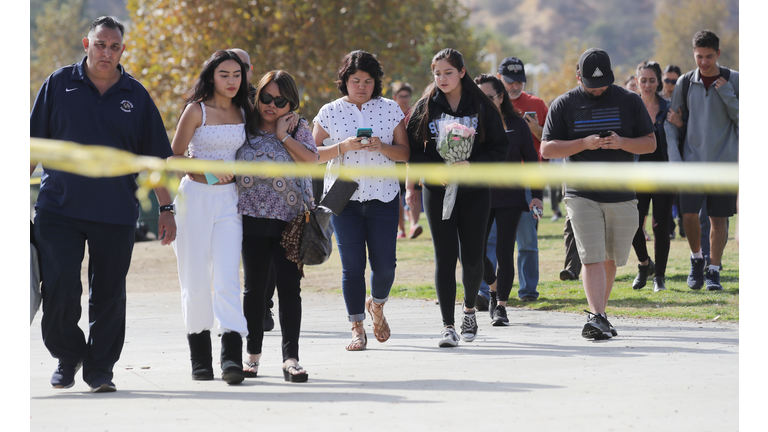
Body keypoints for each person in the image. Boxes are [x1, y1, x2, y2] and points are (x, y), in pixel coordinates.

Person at [30, 16, 176, 392]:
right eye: (100, 44)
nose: (106, 52)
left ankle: (100, 370)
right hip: (58, 209)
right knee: (60, 287)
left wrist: (166, 209)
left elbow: (155, 160)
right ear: (86, 44)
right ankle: (68, 354)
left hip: (115, 212)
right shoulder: (58, 84)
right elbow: (31, 146)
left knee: (109, 294)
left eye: (114, 46)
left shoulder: (136, 95)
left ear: (122, 50)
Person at [540, 48, 656, 340]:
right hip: (581, 193)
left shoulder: (629, 101)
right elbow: (547, 148)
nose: (598, 88)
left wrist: (622, 142)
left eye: (603, 83)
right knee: (591, 256)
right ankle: (598, 315)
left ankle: (600, 315)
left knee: (610, 259)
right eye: (591, 84)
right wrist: (584, 143)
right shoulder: (563, 104)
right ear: (578, 77)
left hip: (622, 194)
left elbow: (650, 143)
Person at [406, 48, 508, 347]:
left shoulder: (482, 105)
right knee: (445, 257)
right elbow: (411, 149)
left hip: (475, 192)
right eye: (437, 73)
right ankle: (447, 325)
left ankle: (469, 312)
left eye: (448, 72)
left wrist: (472, 166)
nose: (442, 78)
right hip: (438, 193)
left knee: (473, 258)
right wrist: (431, 171)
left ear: (462, 72)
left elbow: (500, 149)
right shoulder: (426, 106)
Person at [313, 51, 410, 351]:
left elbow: (405, 154)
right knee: (352, 267)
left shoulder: (391, 109)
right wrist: (342, 146)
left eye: (369, 81)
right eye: (356, 80)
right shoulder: (329, 111)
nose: (362, 86)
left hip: (384, 194)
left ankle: (377, 305)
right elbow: (312, 154)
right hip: (344, 196)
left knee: (385, 267)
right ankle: (356, 327)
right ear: (344, 80)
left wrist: (382, 146)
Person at [168, 50, 251, 385]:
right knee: (196, 281)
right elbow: (173, 159)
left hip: (231, 204)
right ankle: (200, 360)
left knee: (228, 279)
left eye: (237, 74)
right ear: (211, 76)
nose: (232, 81)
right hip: (195, 199)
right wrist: (211, 176)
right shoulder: (196, 110)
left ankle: (231, 359)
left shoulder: (246, 110)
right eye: (224, 74)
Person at [237, 70, 317, 382]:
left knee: (289, 290)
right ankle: (252, 357)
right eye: (266, 98)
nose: (271, 105)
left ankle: (291, 359)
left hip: (290, 221)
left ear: (290, 102)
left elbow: (311, 161)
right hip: (251, 219)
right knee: (254, 290)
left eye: (279, 100)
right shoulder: (244, 125)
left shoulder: (298, 127)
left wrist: (284, 136)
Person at [665, 30, 738, 291]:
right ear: (693, 54)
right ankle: (697, 259)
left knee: (719, 219)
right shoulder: (685, 82)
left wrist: (728, 94)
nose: (704, 62)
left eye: (709, 56)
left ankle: (714, 270)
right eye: (699, 57)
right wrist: (675, 162)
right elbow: (672, 124)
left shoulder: (735, 81)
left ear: (718, 54)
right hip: (691, 164)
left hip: (725, 165)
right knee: (688, 216)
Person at [474, 74, 543, 325]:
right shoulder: (470, 124)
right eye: (479, 97)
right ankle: (493, 288)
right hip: (478, 196)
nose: (484, 101)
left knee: (505, 251)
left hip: (511, 197)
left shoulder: (518, 124)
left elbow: (533, 161)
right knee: (476, 253)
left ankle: (501, 305)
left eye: (489, 96)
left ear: (501, 97)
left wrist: (536, 196)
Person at [496, 56, 548, 302]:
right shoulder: (490, 104)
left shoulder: (537, 103)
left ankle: (528, 291)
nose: (515, 86)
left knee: (527, 240)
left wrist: (537, 130)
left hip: (528, 180)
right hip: (497, 182)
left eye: (519, 81)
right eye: (509, 82)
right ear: (499, 80)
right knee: (492, 239)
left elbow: (551, 142)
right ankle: (490, 289)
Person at [232, 47, 276, 332]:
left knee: (265, 254)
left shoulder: (260, 98)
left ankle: (264, 306)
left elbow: (282, 115)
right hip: (222, 188)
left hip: (261, 192)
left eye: (242, 67)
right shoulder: (213, 101)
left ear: (250, 70)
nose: (237, 73)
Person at [629, 61, 674, 292]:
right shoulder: (629, 107)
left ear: (659, 81)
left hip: (664, 173)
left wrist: (680, 122)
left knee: (660, 226)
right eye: (643, 80)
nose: (647, 85)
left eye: (652, 80)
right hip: (636, 174)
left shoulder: (669, 107)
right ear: (637, 81)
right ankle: (644, 263)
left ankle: (660, 277)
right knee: (633, 224)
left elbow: (680, 136)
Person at [394, 82, 424, 239]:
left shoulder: (415, 113)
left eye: (407, 96)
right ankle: (401, 229)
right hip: (398, 159)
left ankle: (414, 225)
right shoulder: (391, 113)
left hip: (414, 158)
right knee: (398, 194)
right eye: (401, 96)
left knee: (416, 193)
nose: (405, 99)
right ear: (395, 97)